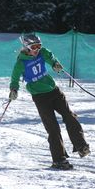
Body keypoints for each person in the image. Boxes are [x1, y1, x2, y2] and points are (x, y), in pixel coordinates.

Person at [9, 33, 90, 170]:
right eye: (34, 47)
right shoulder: (20, 63)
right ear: (26, 47)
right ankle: (59, 160)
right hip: (40, 97)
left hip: (54, 91)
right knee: (53, 128)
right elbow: (14, 79)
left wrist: (55, 64)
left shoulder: (42, 52)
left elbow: (51, 58)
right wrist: (14, 90)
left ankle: (81, 146)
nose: (37, 49)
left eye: (39, 46)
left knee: (69, 116)